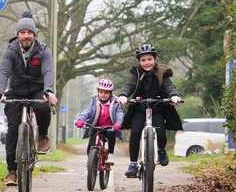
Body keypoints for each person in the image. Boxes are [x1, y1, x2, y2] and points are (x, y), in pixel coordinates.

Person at [0, 10, 58, 186]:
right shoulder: (11, 50)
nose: (26, 36)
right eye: (23, 32)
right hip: (16, 91)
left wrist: (49, 91)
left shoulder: (43, 50)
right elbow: (4, 71)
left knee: (44, 107)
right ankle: (12, 171)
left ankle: (42, 134)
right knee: (13, 130)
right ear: (18, 34)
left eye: (29, 33)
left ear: (34, 34)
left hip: (38, 90)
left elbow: (48, 71)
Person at [117, 43, 182, 178]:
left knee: (161, 135)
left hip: (157, 108)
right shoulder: (136, 73)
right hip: (139, 109)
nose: (147, 63)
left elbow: (169, 86)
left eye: (149, 59)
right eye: (143, 60)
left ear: (155, 59)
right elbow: (129, 85)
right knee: (135, 133)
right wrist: (123, 95)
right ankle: (133, 163)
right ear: (139, 62)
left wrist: (174, 95)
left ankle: (161, 150)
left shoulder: (162, 72)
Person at [75, 79, 124, 164]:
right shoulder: (95, 102)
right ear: (98, 92)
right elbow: (87, 111)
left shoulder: (115, 104)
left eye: (106, 93)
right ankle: (90, 164)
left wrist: (118, 123)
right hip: (96, 128)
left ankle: (111, 154)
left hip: (109, 127)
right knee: (91, 146)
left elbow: (119, 114)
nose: (103, 95)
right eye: (101, 92)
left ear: (110, 94)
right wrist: (80, 119)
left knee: (110, 133)